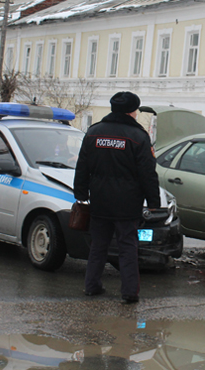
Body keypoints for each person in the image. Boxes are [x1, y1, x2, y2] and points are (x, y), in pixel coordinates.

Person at [73, 91, 161, 304]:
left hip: (100, 200)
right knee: (128, 246)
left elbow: (82, 166)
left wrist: (81, 193)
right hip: (127, 203)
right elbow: (148, 173)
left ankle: (91, 286)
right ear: (132, 112)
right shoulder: (138, 137)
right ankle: (129, 292)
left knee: (98, 245)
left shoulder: (94, 133)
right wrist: (154, 202)